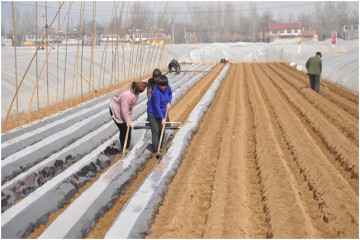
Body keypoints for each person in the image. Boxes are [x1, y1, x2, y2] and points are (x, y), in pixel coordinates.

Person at [109, 81, 147, 150]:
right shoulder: (127, 95)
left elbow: (128, 107)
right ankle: (124, 147)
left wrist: (129, 113)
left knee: (128, 129)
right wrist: (128, 121)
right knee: (124, 129)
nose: (139, 93)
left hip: (124, 109)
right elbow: (124, 110)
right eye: (138, 92)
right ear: (135, 89)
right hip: (116, 110)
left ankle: (127, 146)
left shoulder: (136, 91)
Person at [147, 75, 172, 152]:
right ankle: (155, 148)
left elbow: (170, 94)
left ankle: (160, 146)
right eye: (161, 86)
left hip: (163, 111)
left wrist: (169, 102)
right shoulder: (156, 92)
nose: (163, 87)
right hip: (153, 113)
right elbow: (157, 107)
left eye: (165, 85)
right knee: (156, 130)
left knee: (162, 130)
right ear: (158, 85)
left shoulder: (168, 87)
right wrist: (162, 118)